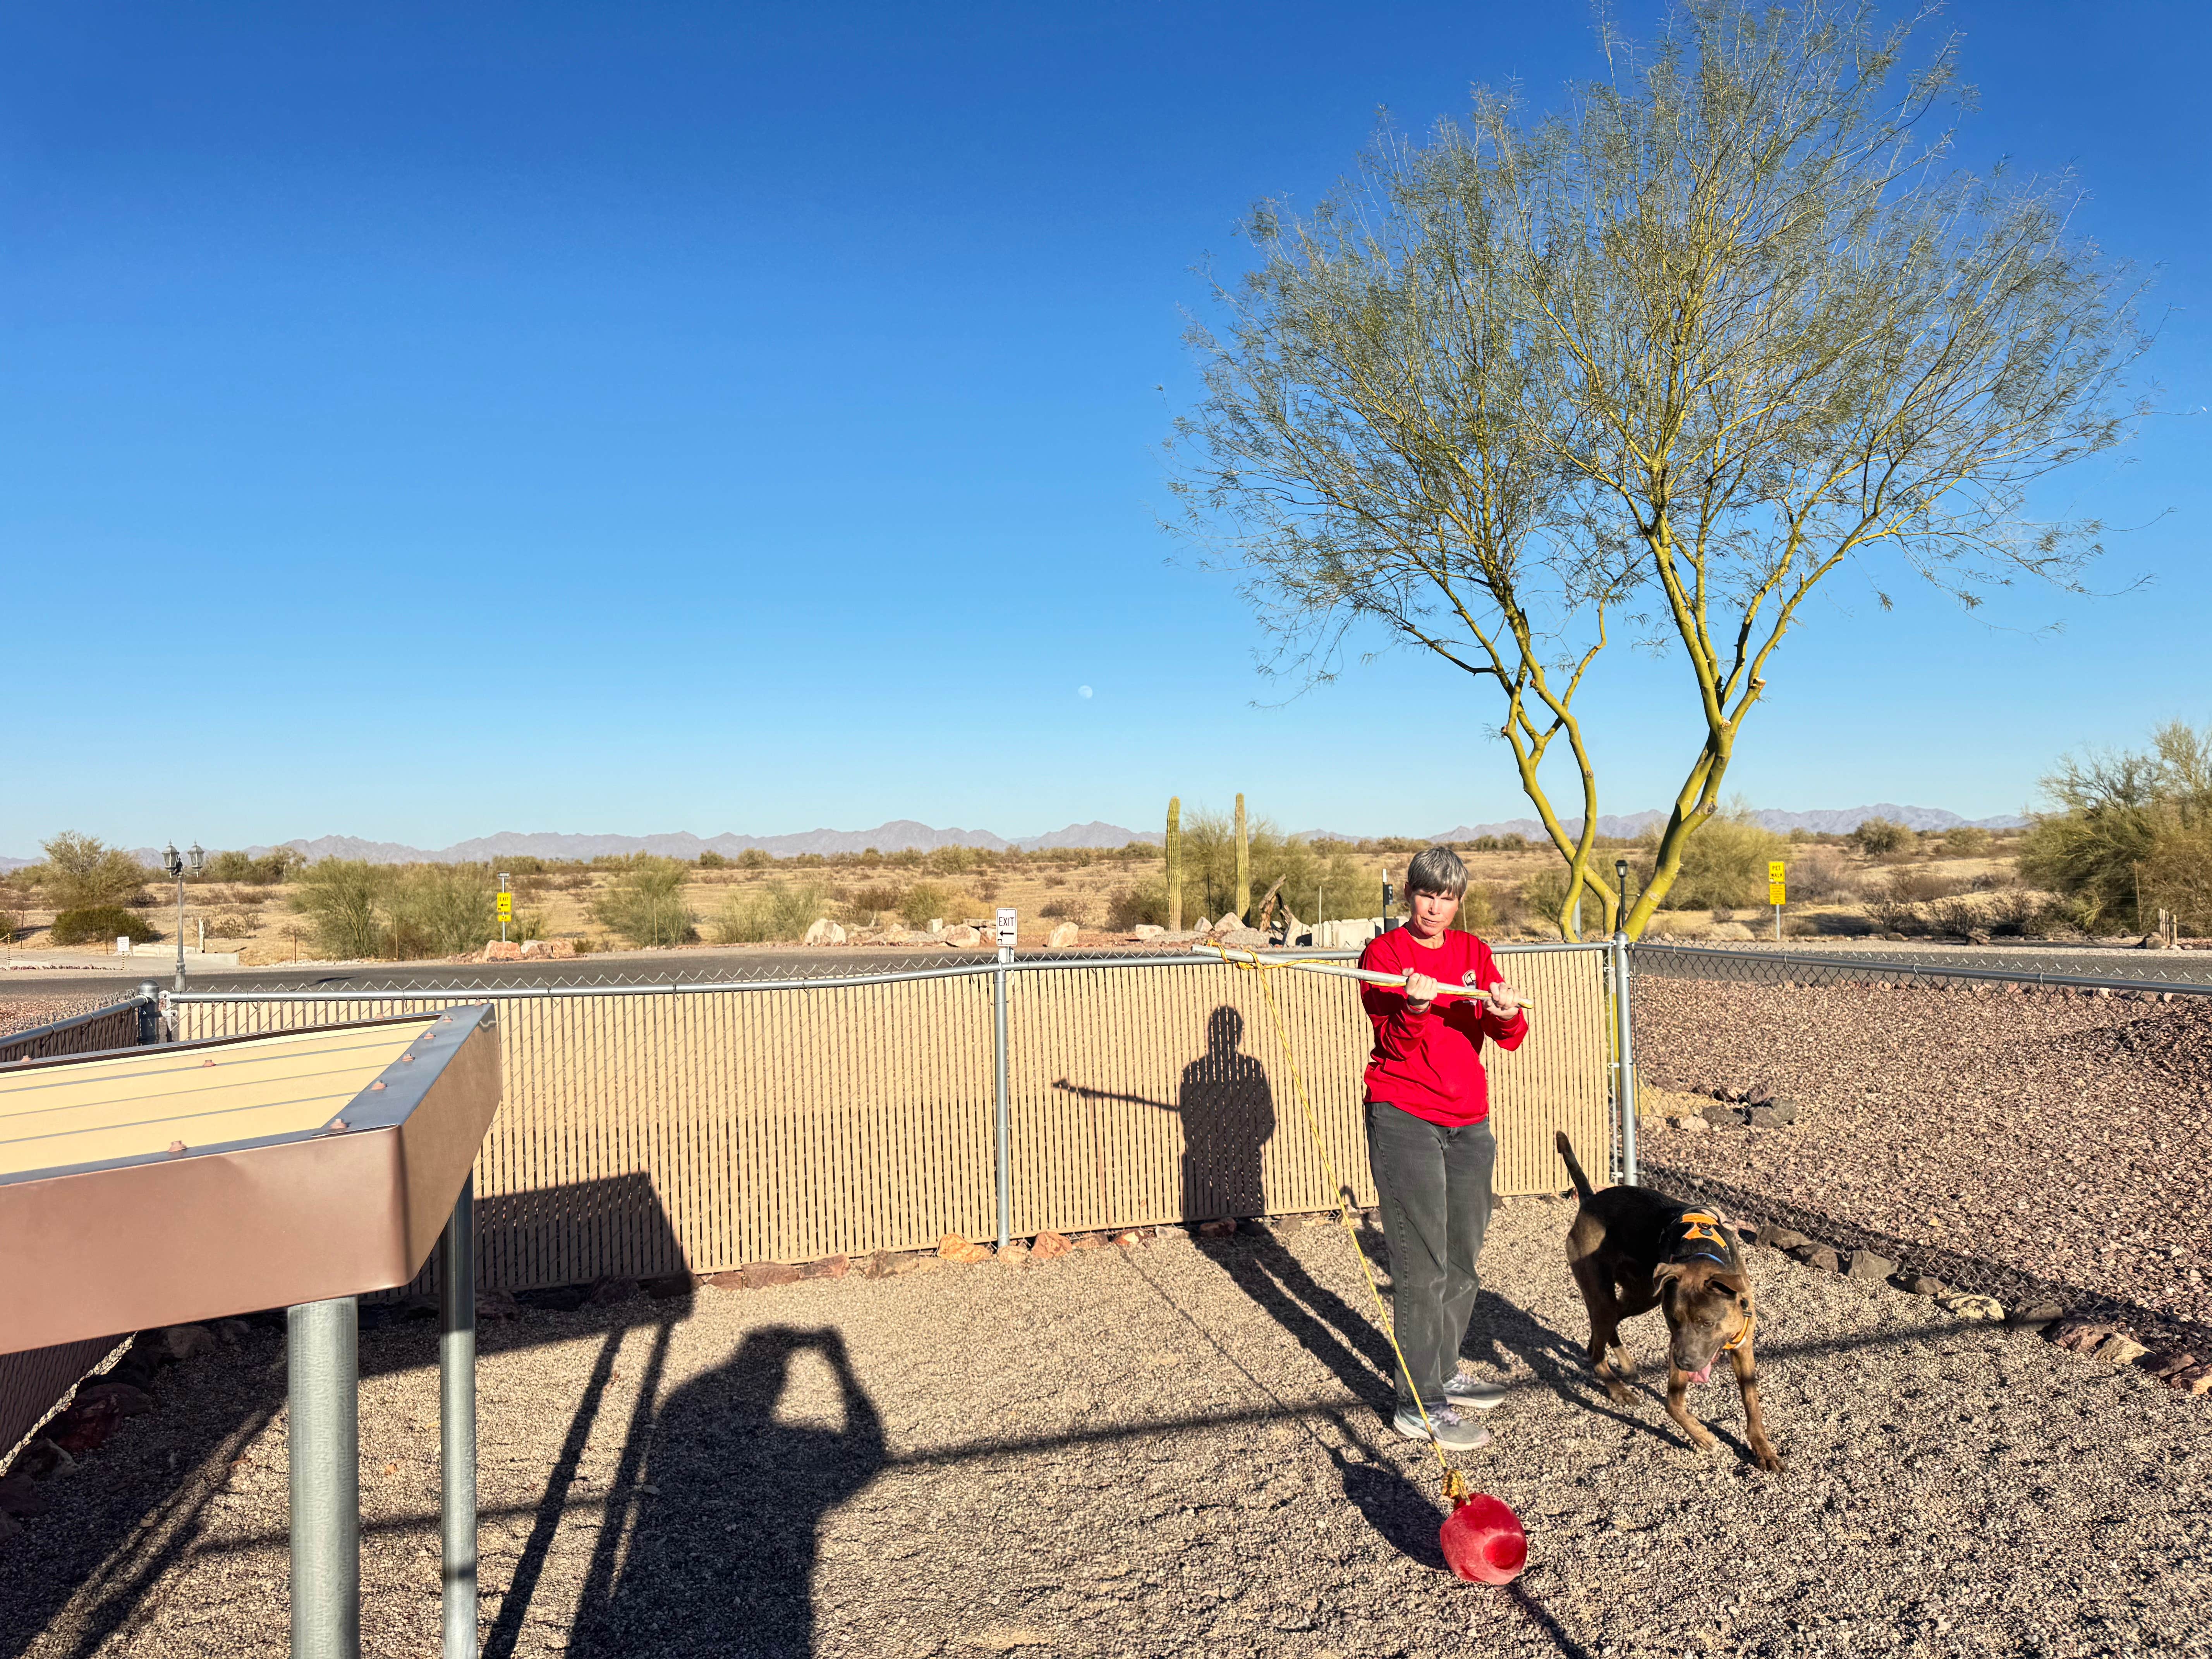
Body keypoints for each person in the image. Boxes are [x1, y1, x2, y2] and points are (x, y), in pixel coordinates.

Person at [1357, 844, 1530, 1450]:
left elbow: (1506, 1036)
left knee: (1463, 1256)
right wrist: (1415, 1006)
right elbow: (1395, 1045)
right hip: (1404, 1116)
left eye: (1447, 897)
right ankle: (1418, 1402)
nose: (1435, 907)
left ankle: (1444, 1369)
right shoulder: (1383, 956)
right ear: (1410, 894)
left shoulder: (1473, 953)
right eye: (1426, 894)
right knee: (1421, 1264)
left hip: (1469, 1122)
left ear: (1459, 901)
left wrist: (1506, 1013)